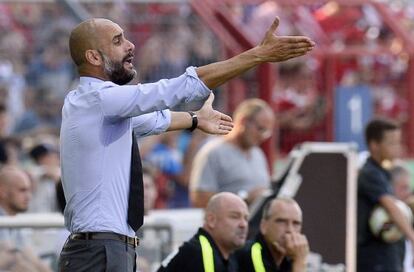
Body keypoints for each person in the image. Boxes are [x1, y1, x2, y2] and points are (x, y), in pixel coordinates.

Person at [59, 17, 314, 271]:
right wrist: (257, 56)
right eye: (118, 41)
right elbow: (176, 89)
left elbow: (155, 119)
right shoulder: (99, 99)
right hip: (98, 250)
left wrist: (195, 119)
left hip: (107, 248)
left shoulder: (101, 107)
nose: (130, 45)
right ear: (93, 57)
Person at [190, 98, 275, 207]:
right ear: (243, 122)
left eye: (267, 132)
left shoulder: (258, 154)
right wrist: (244, 198)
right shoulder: (213, 152)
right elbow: (199, 199)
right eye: (260, 129)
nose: (263, 136)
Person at [357, 118, 414, 272]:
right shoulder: (370, 173)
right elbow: (391, 206)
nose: (398, 148)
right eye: (392, 143)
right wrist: (412, 236)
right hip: (375, 258)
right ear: (374, 145)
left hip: (388, 256)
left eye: (398, 142)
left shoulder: (383, 172)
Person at [157, 192, 249, 272]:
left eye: (246, 218)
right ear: (211, 220)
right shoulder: (201, 254)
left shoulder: (227, 256)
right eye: (234, 216)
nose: (243, 224)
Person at [234, 197, 309, 272]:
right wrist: (300, 262)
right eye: (281, 221)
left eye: (296, 223)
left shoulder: (289, 259)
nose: (290, 230)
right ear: (264, 226)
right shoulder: (252, 252)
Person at [0, 166, 52, 272]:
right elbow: (15, 261)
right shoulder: (4, 220)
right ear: (3, 192)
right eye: (22, 190)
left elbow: (33, 259)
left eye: (29, 190)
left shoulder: (13, 220)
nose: (29, 196)